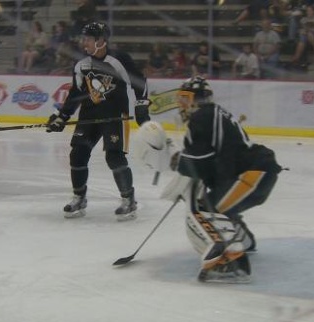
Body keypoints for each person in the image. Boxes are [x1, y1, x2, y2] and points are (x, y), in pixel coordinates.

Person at [167, 76, 282, 283]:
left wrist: (179, 160)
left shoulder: (202, 117)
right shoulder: (212, 114)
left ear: (199, 99)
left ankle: (232, 264)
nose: (182, 105)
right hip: (258, 172)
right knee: (216, 203)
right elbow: (215, 161)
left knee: (206, 210)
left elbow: (200, 162)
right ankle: (243, 240)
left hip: (252, 174)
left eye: (186, 98)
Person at [45, 21, 151, 220]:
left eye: (88, 39)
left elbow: (139, 82)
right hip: (89, 116)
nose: (84, 43)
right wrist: (62, 116)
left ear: (101, 41)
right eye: (83, 38)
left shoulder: (119, 59)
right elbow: (75, 94)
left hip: (114, 115)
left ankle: (129, 200)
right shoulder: (82, 65)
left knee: (114, 157)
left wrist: (141, 105)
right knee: (77, 154)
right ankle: (79, 197)